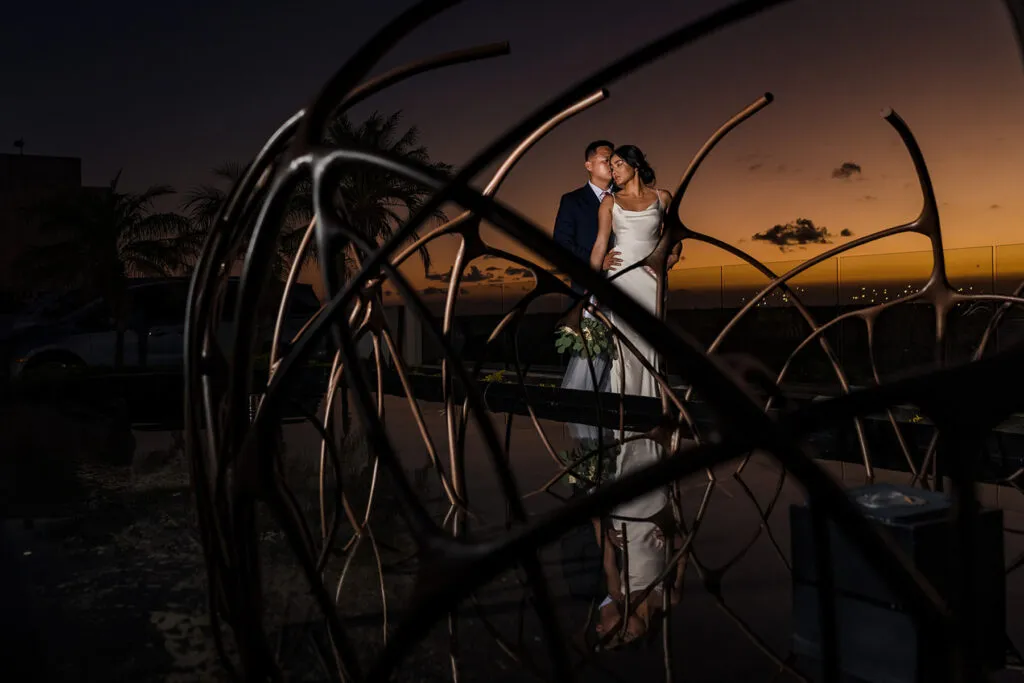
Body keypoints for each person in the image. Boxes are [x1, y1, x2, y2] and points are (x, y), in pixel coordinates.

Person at [587, 144, 684, 645]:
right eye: (611, 167)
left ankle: (657, 412)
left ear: (636, 166)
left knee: (652, 347)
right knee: (627, 351)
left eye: (619, 165)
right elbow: (600, 245)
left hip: (651, 281)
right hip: (622, 282)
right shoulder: (607, 204)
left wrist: (660, 261)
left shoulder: (663, 196)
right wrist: (598, 274)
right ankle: (635, 416)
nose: (613, 171)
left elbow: (676, 242)